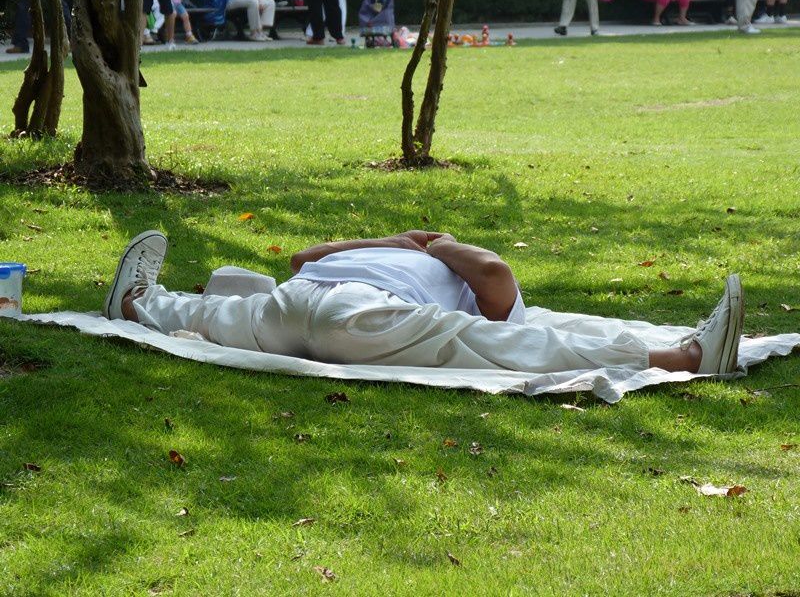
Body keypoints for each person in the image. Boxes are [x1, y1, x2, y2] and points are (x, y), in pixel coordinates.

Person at [102, 230, 744, 377]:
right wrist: (425, 242)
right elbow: (303, 257)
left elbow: (303, 262)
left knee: (219, 312)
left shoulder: (442, 273)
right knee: (504, 347)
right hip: (335, 306)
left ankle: (138, 306)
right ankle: (682, 355)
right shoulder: (435, 270)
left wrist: (428, 242)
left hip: (308, 305)